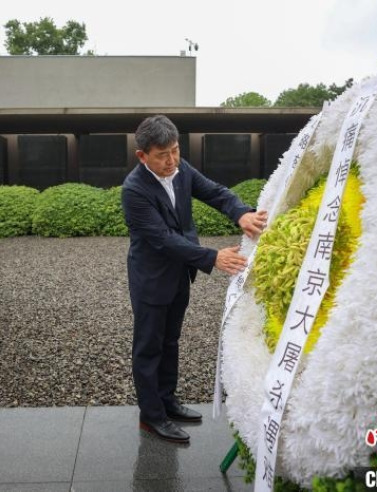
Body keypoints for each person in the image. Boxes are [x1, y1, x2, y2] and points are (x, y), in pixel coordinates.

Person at [121, 115, 267, 444]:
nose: (172, 160)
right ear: (142, 156)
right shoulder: (134, 190)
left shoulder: (181, 169)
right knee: (148, 348)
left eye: (175, 150)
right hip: (151, 278)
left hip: (178, 274)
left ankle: (168, 400)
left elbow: (214, 192)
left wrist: (240, 212)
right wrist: (212, 257)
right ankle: (151, 416)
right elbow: (162, 239)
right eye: (162, 155)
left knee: (170, 341)